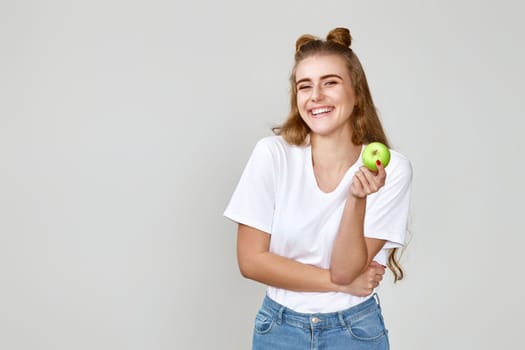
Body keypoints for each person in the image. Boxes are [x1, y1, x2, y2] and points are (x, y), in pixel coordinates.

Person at [224, 27, 412, 350]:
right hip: (279, 330)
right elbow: (251, 261)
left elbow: (345, 269)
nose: (316, 97)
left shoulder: (390, 169)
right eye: (305, 86)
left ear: (357, 93)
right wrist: (336, 283)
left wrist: (357, 199)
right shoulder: (273, 155)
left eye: (330, 83)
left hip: (354, 330)